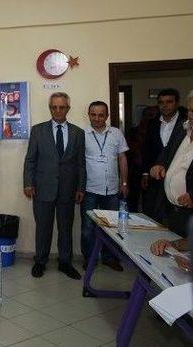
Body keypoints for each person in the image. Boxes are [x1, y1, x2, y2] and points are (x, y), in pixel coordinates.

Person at [23, 92, 86, 279]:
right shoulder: (38, 130)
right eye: (54, 107)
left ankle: (65, 262)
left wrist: (81, 187)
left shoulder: (78, 133)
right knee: (43, 227)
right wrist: (28, 183)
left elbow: (81, 163)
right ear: (50, 108)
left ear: (68, 108)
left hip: (68, 188)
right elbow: (30, 160)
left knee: (66, 227)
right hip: (42, 187)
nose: (57, 110)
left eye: (62, 107)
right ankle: (40, 261)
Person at [81, 101, 129, 272]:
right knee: (88, 228)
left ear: (107, 116)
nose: (97, 118)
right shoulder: (82, 134)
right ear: (89, 114)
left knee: (112, 227)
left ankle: (110, 258)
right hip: (89, 189)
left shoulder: (116, 133)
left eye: (101, 115)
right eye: (93, 114)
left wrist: (124, 182)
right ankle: (89, 259)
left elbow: (122, 159)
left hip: (113, 191)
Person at [149, 89, 193, 238]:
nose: (191, 115)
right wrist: (159, 164)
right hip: (172, 209)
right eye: (190, 110)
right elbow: (167, 151)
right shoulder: (183, 128)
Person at [141, 88, 188, 222]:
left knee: (175, 216)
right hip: (155, 176)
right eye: (161, 102)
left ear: (177, 103)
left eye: (169, 102)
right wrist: (145, 173)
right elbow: (146, 149)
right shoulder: (152, 123)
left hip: (178, 177)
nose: (165, 105)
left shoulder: (185, 124)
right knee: (152, 213)